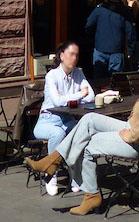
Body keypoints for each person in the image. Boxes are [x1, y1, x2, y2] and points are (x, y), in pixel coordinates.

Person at [25, 46, 139, 215]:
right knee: (89, 119)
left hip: (137, 142)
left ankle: (90, 194)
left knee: (87, 144)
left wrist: (129, 134)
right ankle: (53, 160)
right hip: (137, 132)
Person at [33, 41, 95, 196]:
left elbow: (92, 95)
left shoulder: (78, 73)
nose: (74, 58)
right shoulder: (52, 76)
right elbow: (57, 102)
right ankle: (51, 175)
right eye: (71, 54)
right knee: (58, 134)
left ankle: (75, 175)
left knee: (80, 131)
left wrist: (68, 98)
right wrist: (80, 95)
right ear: (62, 56)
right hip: (48, 119)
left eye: (76, 55)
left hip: (67, 119)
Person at [85, 0, 135, 78]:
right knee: (115, 81)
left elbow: (88, 25)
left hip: (100, 49)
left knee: (99, 81)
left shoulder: (100, 9)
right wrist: (130, 51)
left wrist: (94, 40)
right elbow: (130, 32)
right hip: (117, 51)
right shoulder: (124, 11)